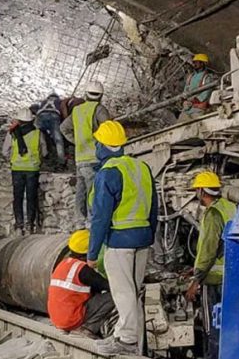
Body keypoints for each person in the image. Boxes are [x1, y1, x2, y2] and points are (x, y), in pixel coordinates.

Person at [86, 120, 158, 355]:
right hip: (143, 238)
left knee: (123, 291)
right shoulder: (142, 168)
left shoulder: (108, 173)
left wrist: (92, 252)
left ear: (103, 146)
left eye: (97, 142)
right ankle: (130, 339)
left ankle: (126, 340)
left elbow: (100, 218)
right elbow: (154, 208)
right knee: (133, 291)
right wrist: (149, 236)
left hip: (119, 240)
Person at [186, 171, 236, 359]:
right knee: (227, 324)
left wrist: (195, 281)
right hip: (231, 276)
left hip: (213, 280)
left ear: (201, 191)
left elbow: (208, 249)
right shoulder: (229, 206)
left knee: (212, 326)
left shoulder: (212, 213)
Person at [48, 229, 115, 339]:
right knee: (115, 295)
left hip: (57, 319)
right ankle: (87, 328)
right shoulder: (83, 270)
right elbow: (107, 285)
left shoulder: (63, 264)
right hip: (72, 319)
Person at [60, 81, 111, 224]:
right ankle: (91, 221)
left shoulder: (77, 111)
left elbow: (64, 128)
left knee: (80, 191)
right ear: (101, 96)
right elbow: (108, 129)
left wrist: (77, 141)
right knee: (93, 191)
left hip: (80, 158)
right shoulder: (99, 109)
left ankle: (79, 221)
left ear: (86, 94)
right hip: (95, 157)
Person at [2, 108, 47, 234]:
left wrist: (13, 157)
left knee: (18, 197)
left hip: (17, 168)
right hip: (33, 169)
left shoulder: (12, 133)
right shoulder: (38, 133)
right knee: (31, 197)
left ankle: (19, 225)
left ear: (19, 120)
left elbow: (4, 151)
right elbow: (44, 151)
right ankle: (30, 225)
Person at [178, 54, 216, 121]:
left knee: (196, 126)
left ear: (202, 63)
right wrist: (184, 101)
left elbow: (206, 92)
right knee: (179, 126)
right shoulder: (191, 76)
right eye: (194, 62)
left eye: (196, 62)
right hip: (187, 109)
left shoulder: (207, 77)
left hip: (198, 109)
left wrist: (193, 101)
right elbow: (185, 90)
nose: (194, 64)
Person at [32, 93, 65, 165]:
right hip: (54, 116)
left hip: (41, 116)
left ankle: (43, 154)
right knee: (58, 140)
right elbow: (63, 112)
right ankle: (61, 161)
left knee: (37, 136)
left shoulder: (43, 101)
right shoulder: (59, 101)